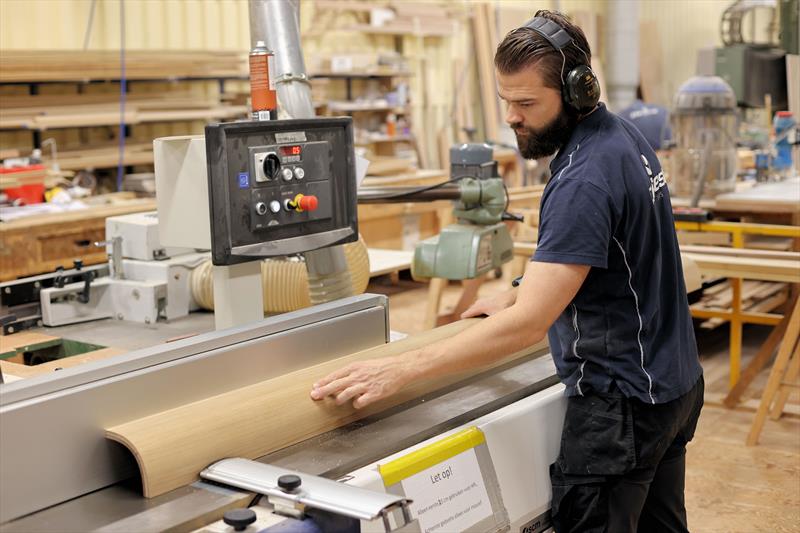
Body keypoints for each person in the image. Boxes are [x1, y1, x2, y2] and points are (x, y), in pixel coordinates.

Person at [311, 10, 703, 533]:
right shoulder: (623, 138)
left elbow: (527, 328)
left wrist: (398, 370)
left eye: (526, 104)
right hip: (673, 385)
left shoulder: (582, 179)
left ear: (578, 91)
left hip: (622, 406)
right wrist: (522, 288)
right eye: (507, 103)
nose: (512, 118)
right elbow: (611, 251)